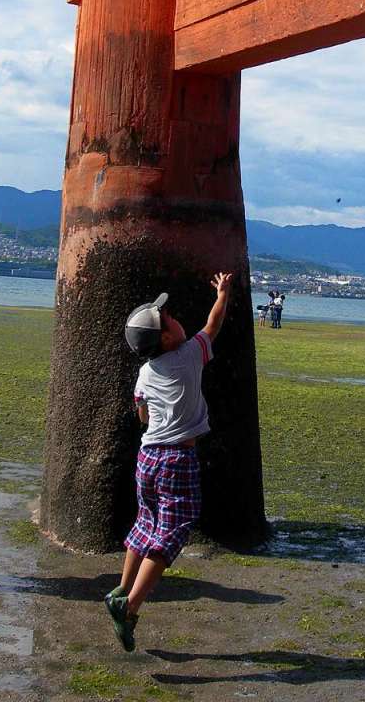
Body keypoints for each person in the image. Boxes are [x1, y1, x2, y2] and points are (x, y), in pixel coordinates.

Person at [104, 272, 232, 652]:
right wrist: (222, 293)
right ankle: (129, 608)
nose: (174, 316)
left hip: (148, 455)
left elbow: (142, 413)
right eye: (168, 318)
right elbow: (214, 323)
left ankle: (121, 588)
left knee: (146, 522)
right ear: (165, 336)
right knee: (173, 529)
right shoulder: (190, 355)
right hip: (178, 456)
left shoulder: (145, 371)